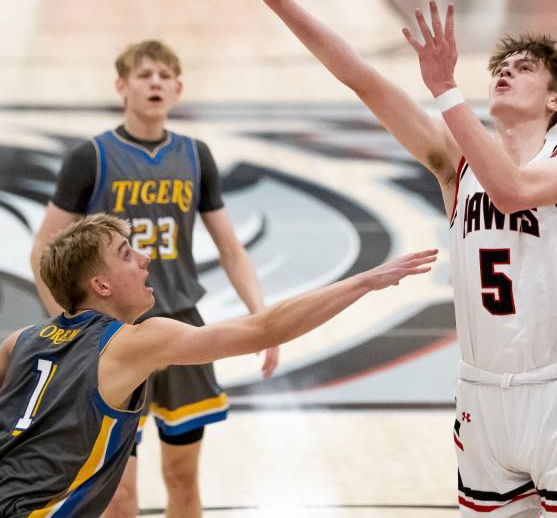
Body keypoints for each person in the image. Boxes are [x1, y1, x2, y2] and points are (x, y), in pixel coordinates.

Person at [225, 0, 557, 516]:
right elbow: (363, 79)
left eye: (525, 68)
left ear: (556, 100)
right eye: (502, 67)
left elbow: (513, 193)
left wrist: (444, 89)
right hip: (479, 395)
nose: (506, 74)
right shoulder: (455, 160)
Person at [1, 213, 436, 517]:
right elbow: (264, 329)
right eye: (126, 254)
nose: (145, 259)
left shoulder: (20, 341)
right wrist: (364, 280)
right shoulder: (134, 340)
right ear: (101, 284)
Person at [28, 40, 280, 518]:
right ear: (122, 86)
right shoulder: (92, 158)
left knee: (183, 480)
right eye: (145, 75)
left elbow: (231, 247)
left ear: (179, 88)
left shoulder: (195, 155)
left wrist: (261, 317)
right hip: (113, 336)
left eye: (165, 76)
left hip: (182, 326)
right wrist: (64, 323)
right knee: (117, 497)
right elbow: (43, 246)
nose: (156, 83)